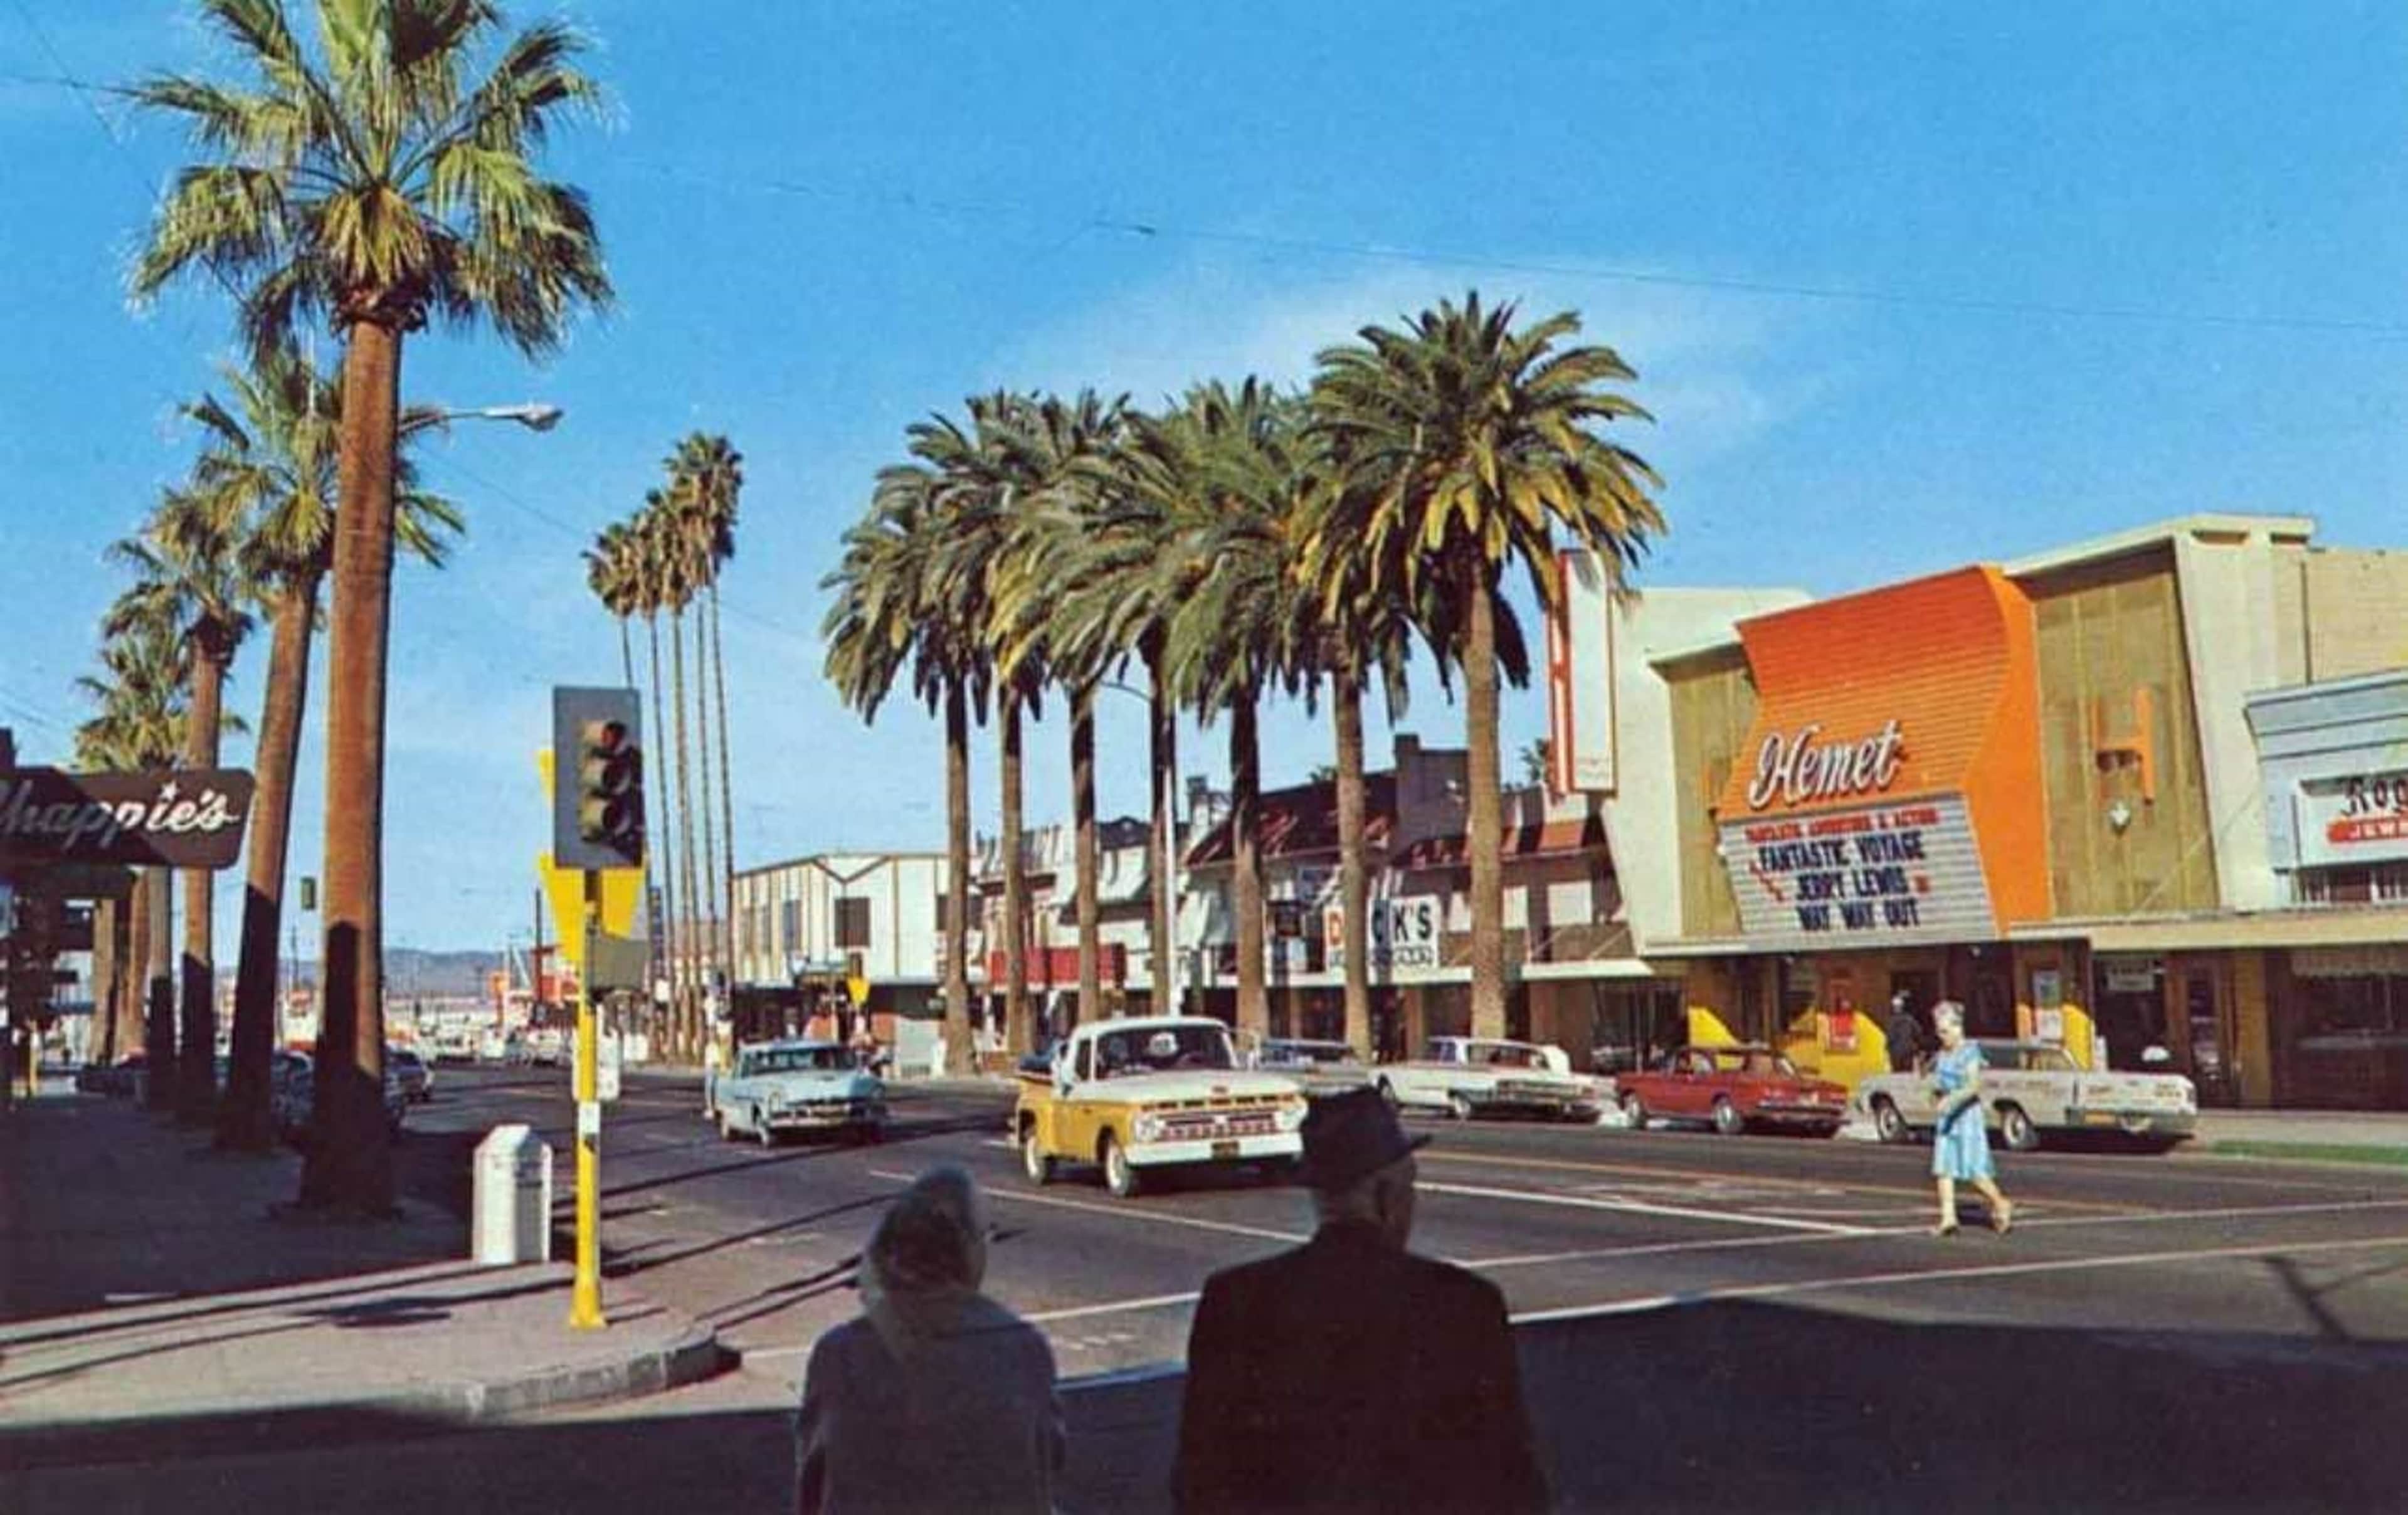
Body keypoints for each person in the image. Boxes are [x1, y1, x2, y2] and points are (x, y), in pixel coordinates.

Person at [1173, 1086, 1549, 1514]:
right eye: (1411, 1186)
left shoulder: (1235, 1303)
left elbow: (1199, 1483)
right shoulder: (1465, 1305)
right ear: (1386, 1195)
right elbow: (1511, 1482)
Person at [795, 1164, 1064, 1514]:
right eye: (985, 1237)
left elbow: (812, 1489)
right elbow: (1047, 1469)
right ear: (967, 1251)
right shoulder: (1024, 1348)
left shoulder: (840, 1355)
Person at [1927, 1000, 2014, 1237]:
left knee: (1973, 1169)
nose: (1941, 1035)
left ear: (1957, 1027)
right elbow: (1938, 1082)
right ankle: (1948, 1218)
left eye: (1945, 1030)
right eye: (1939, 1030)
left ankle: (2000, 1202)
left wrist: (1953, 1099)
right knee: (1944, 1168)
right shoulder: (1943, 1054)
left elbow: (1973, 1085)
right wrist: (1937, 1096)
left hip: (1966, 1115)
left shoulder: (1970, 1051)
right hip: (1948, 1115)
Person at [1884, 991, 1925, 1074]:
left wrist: (1887, 1048)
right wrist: (1919, 1047)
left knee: (1897, 1073)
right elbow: (1918, 1033)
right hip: (1908, 1051)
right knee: (1907, 1073)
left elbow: (1890, 1037)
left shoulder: (1891, 1021)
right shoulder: (1910, 1020)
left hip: (1896, 1052)